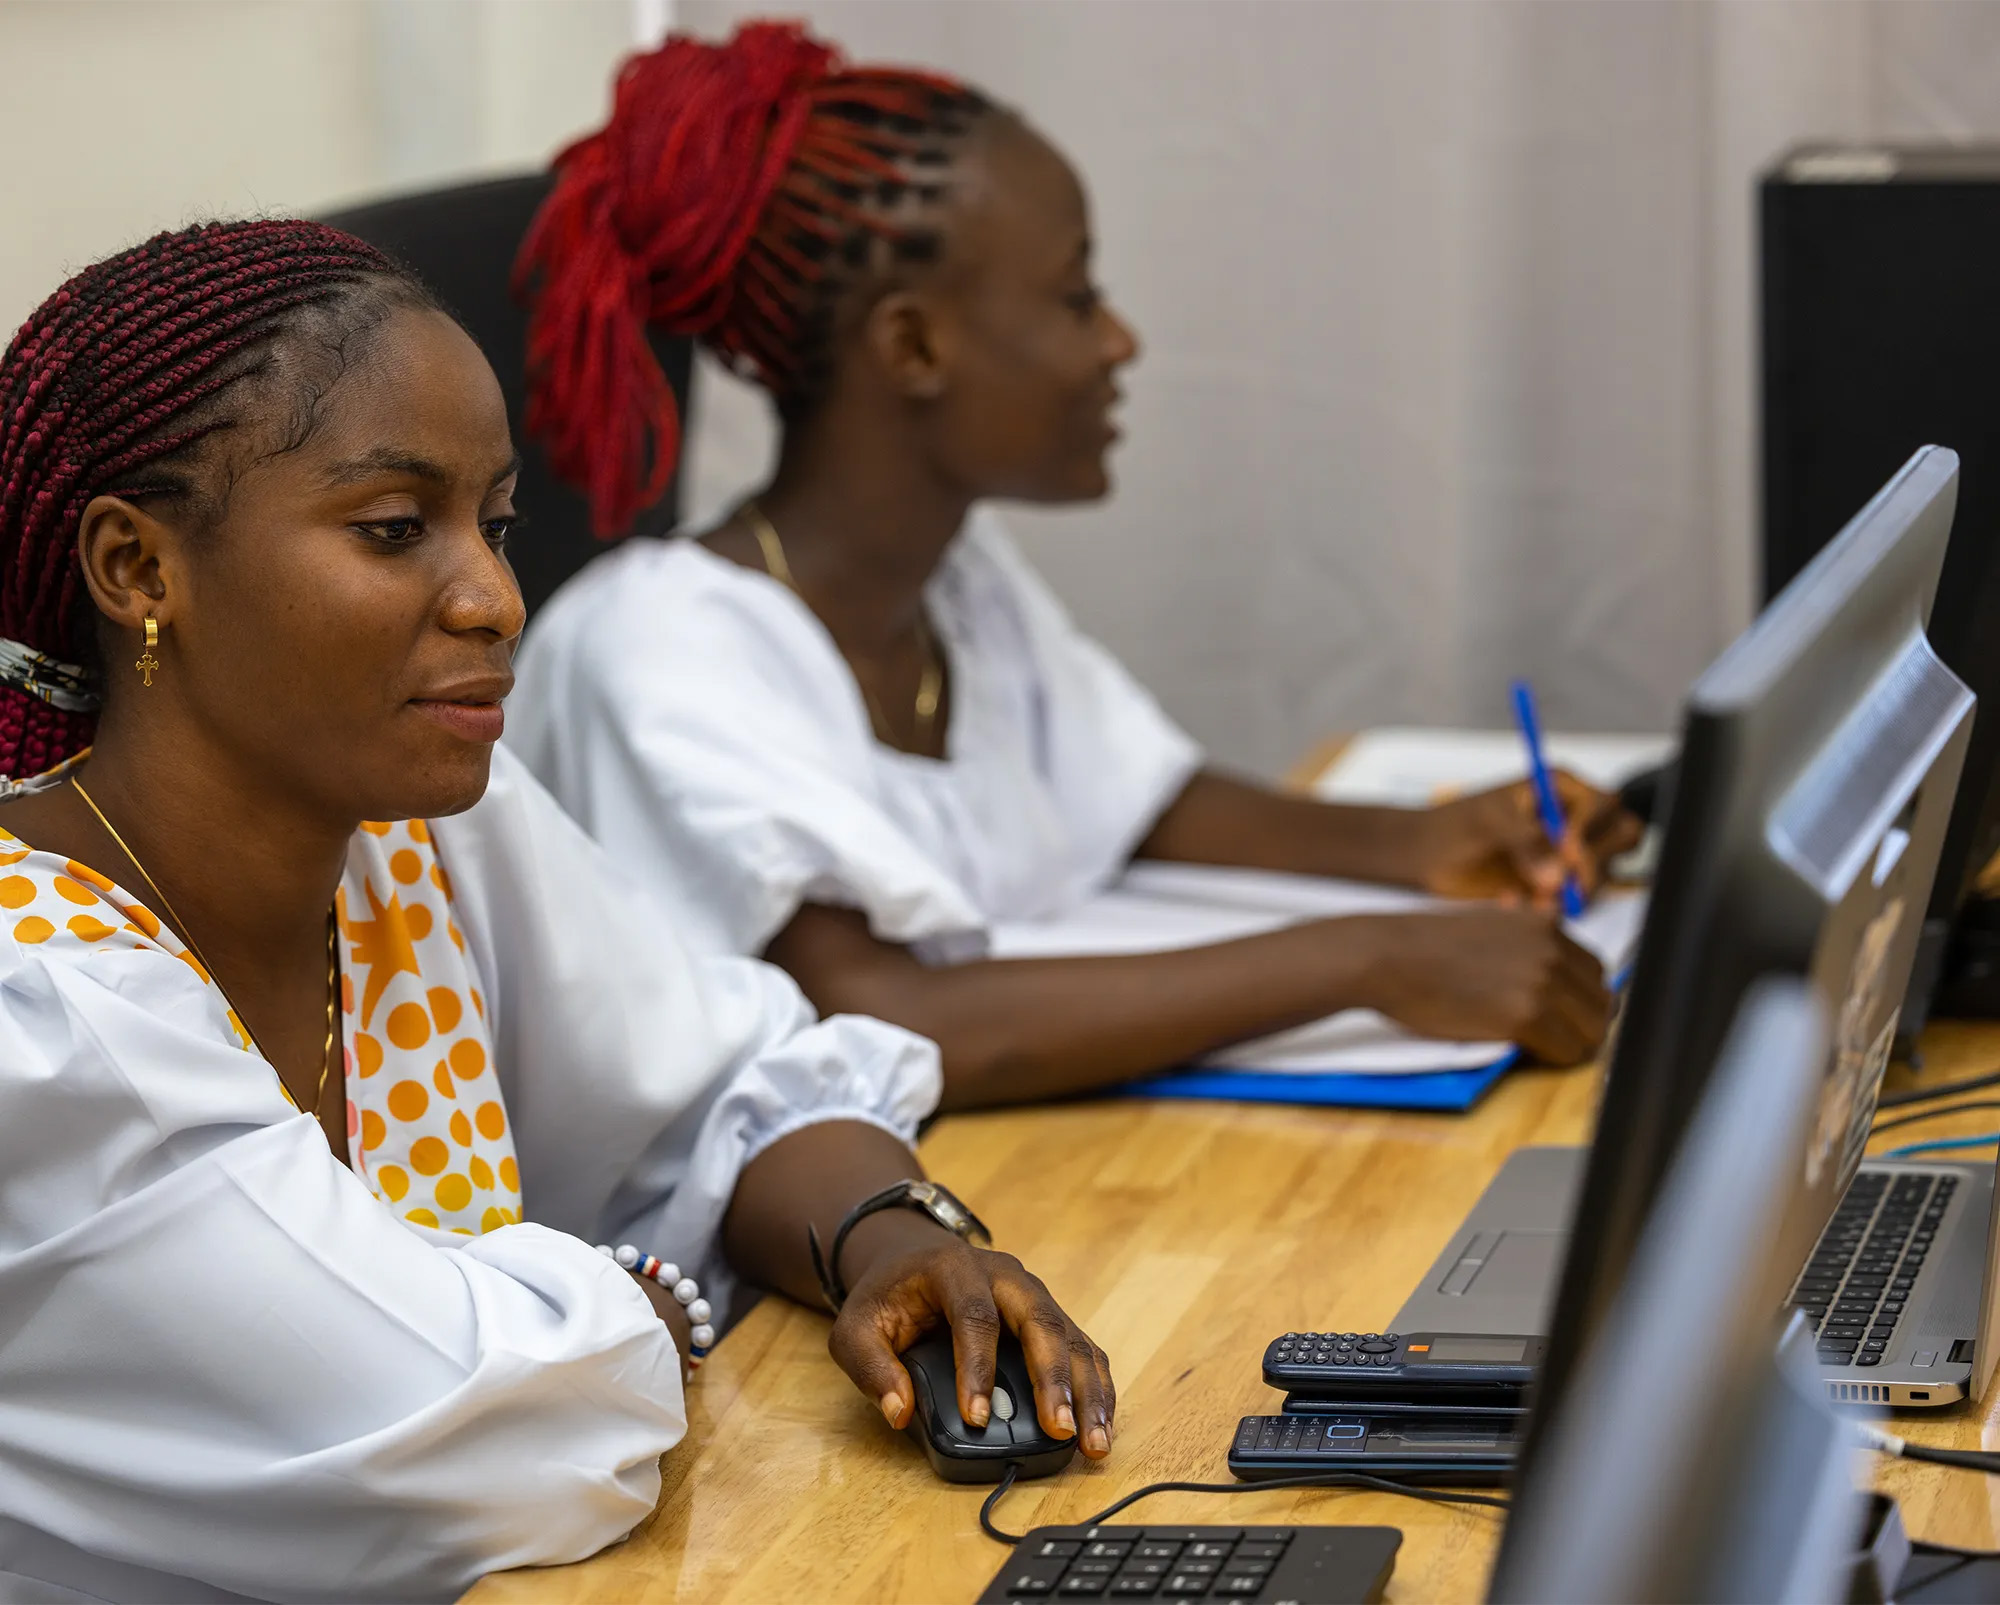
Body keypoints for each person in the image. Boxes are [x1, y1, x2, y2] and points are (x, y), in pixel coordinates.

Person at [0, 220, 1112, 1605]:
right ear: (136, 569)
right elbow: (470, 1436)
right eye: (395, 530)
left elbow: (727, 1082)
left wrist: (891, 1232)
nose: (496, 599)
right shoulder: (38, 1015)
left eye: (497, 524)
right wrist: (637, 1296)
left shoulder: (409, 833)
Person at [508, 23, 1644, 1113]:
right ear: (912, 346)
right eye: (1073, 295)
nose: (1117, 342)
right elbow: (873, 1014)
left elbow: (1122, 793)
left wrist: (1413, 849)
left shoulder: (949, 577)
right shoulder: (658, 657)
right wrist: (1370, 959)